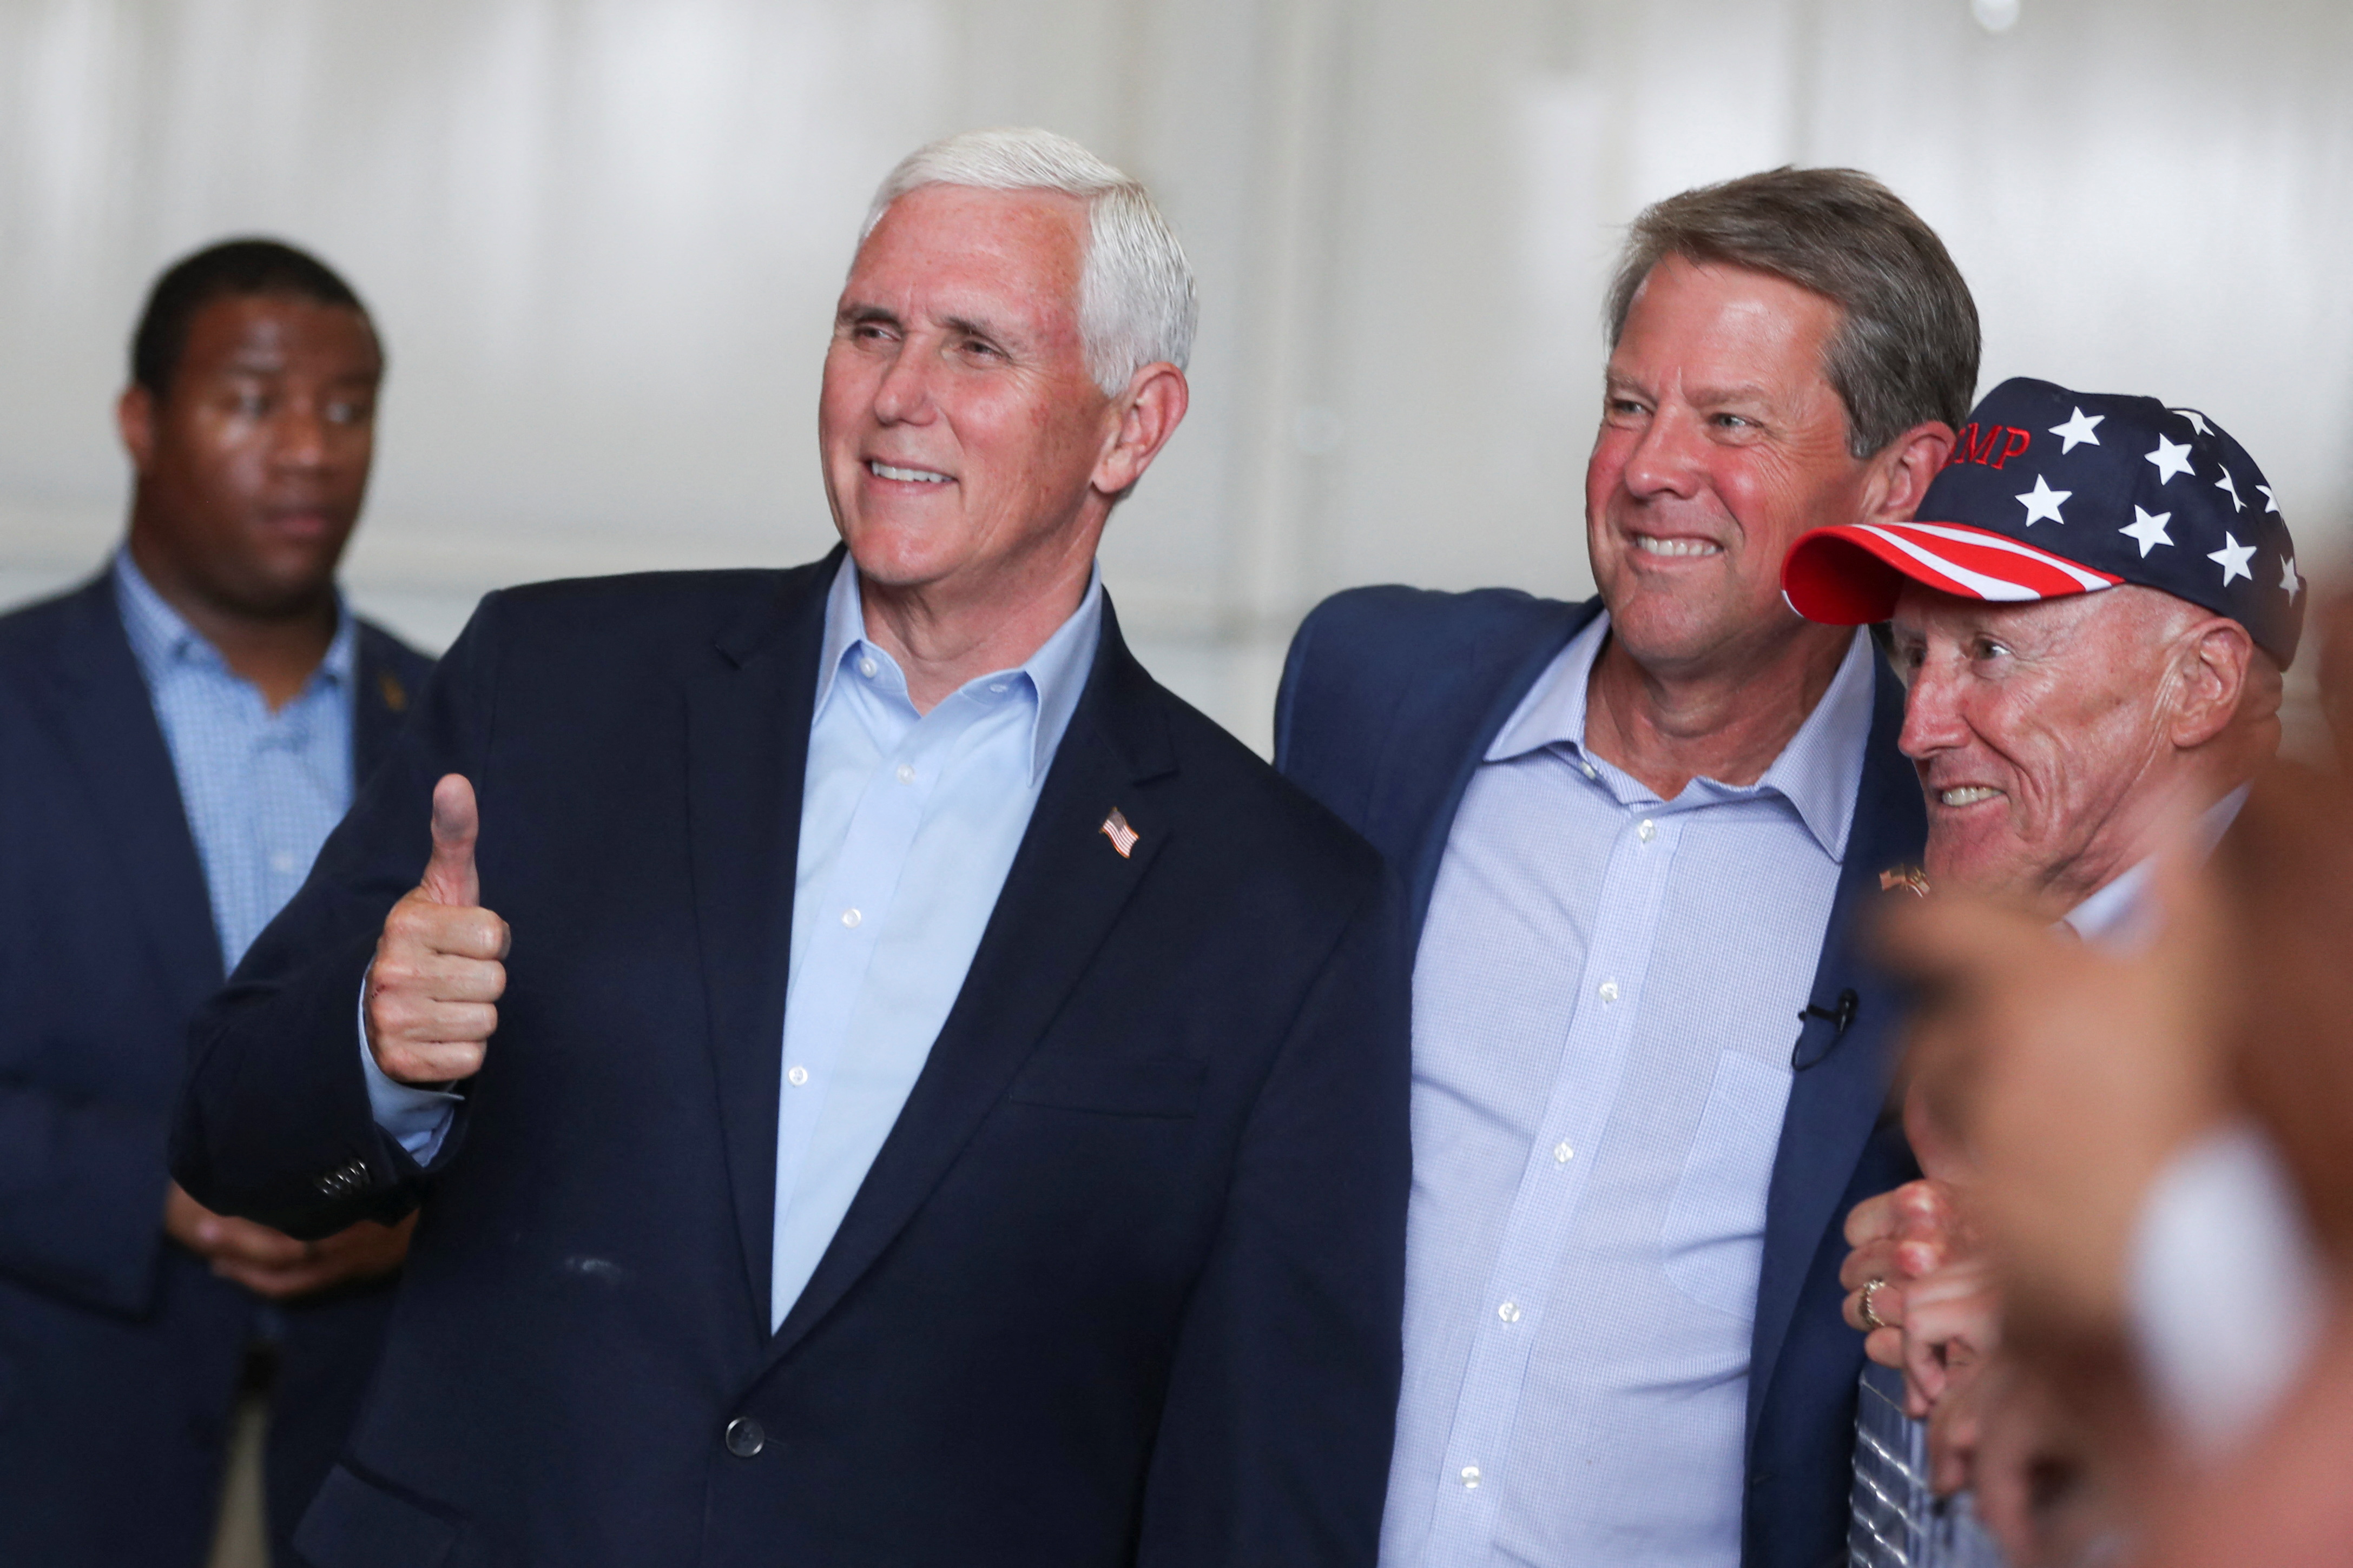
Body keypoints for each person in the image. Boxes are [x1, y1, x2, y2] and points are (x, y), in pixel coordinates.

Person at [173, 129, 1411, 1566]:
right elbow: (227, 1133)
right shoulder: (555, 684)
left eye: (975, 348)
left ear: (1132, 426)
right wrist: (376, 1051)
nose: (899, 396)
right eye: (870, 329)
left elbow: (1262, 1479)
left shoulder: (1278, 905)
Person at [1274, 167, 1976, 1566]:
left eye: (1728, 421)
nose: (1650, 468)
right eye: (1624, 404)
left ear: (1895, 482)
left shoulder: (1953, 861)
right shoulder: (1370, 695)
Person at [1781, 375, 2309, 1556]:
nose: (1917, 725)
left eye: (1991, 650)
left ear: (2202, 683)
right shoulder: (2002, 949)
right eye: (1914, 656)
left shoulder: (2308, 1007)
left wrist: (2093, 1345)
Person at [0, 240, 432, 1565]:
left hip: (371, 1455)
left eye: (348, 408)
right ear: (142, 422)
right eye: (253, 402)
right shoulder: (18, 701)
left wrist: (406, 1213)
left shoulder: (468, 723)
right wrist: (160, 1190)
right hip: (54, 1444)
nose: (309, 449)